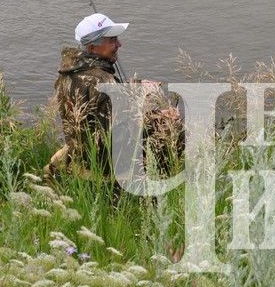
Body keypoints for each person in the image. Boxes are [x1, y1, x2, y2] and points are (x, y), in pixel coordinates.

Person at [44, 13, 181, 182]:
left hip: (81, 149)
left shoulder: (70, 72)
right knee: (174, 130)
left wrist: (132, 88)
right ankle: (159, 185)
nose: (119, 44)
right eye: (112, 40)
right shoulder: (104, 82)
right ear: (93, 48)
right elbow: (122, 132)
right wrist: (159, 117)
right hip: (105, 163)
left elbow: (92, 99)